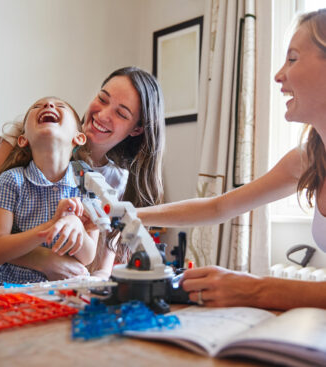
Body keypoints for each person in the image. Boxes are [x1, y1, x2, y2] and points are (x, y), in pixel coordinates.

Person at [137, 9, 326, 310]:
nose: (279, 75)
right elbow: (219, 206)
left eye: (292, 59)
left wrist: (254, 290)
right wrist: (131, 216)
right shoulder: (307, 160)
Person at [0, 66, 165, 285]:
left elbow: (100, 267)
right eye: (102, 99)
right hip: (0, 277)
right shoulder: (29, 133)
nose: (102, 115)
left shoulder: (112, 180)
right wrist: (45, 259)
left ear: (136, 129)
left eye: (121, 113)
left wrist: (89, 286)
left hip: (61, 287)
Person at [0, 96, 99, 287]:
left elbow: (88, 257)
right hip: (9, 285)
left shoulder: (88, 181)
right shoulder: (11, 180)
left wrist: (76, 226)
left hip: (60, 287)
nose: (48, 105)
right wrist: (50, 225)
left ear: (79, 137)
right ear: (23, 139)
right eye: (37, 106)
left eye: (59, 106)